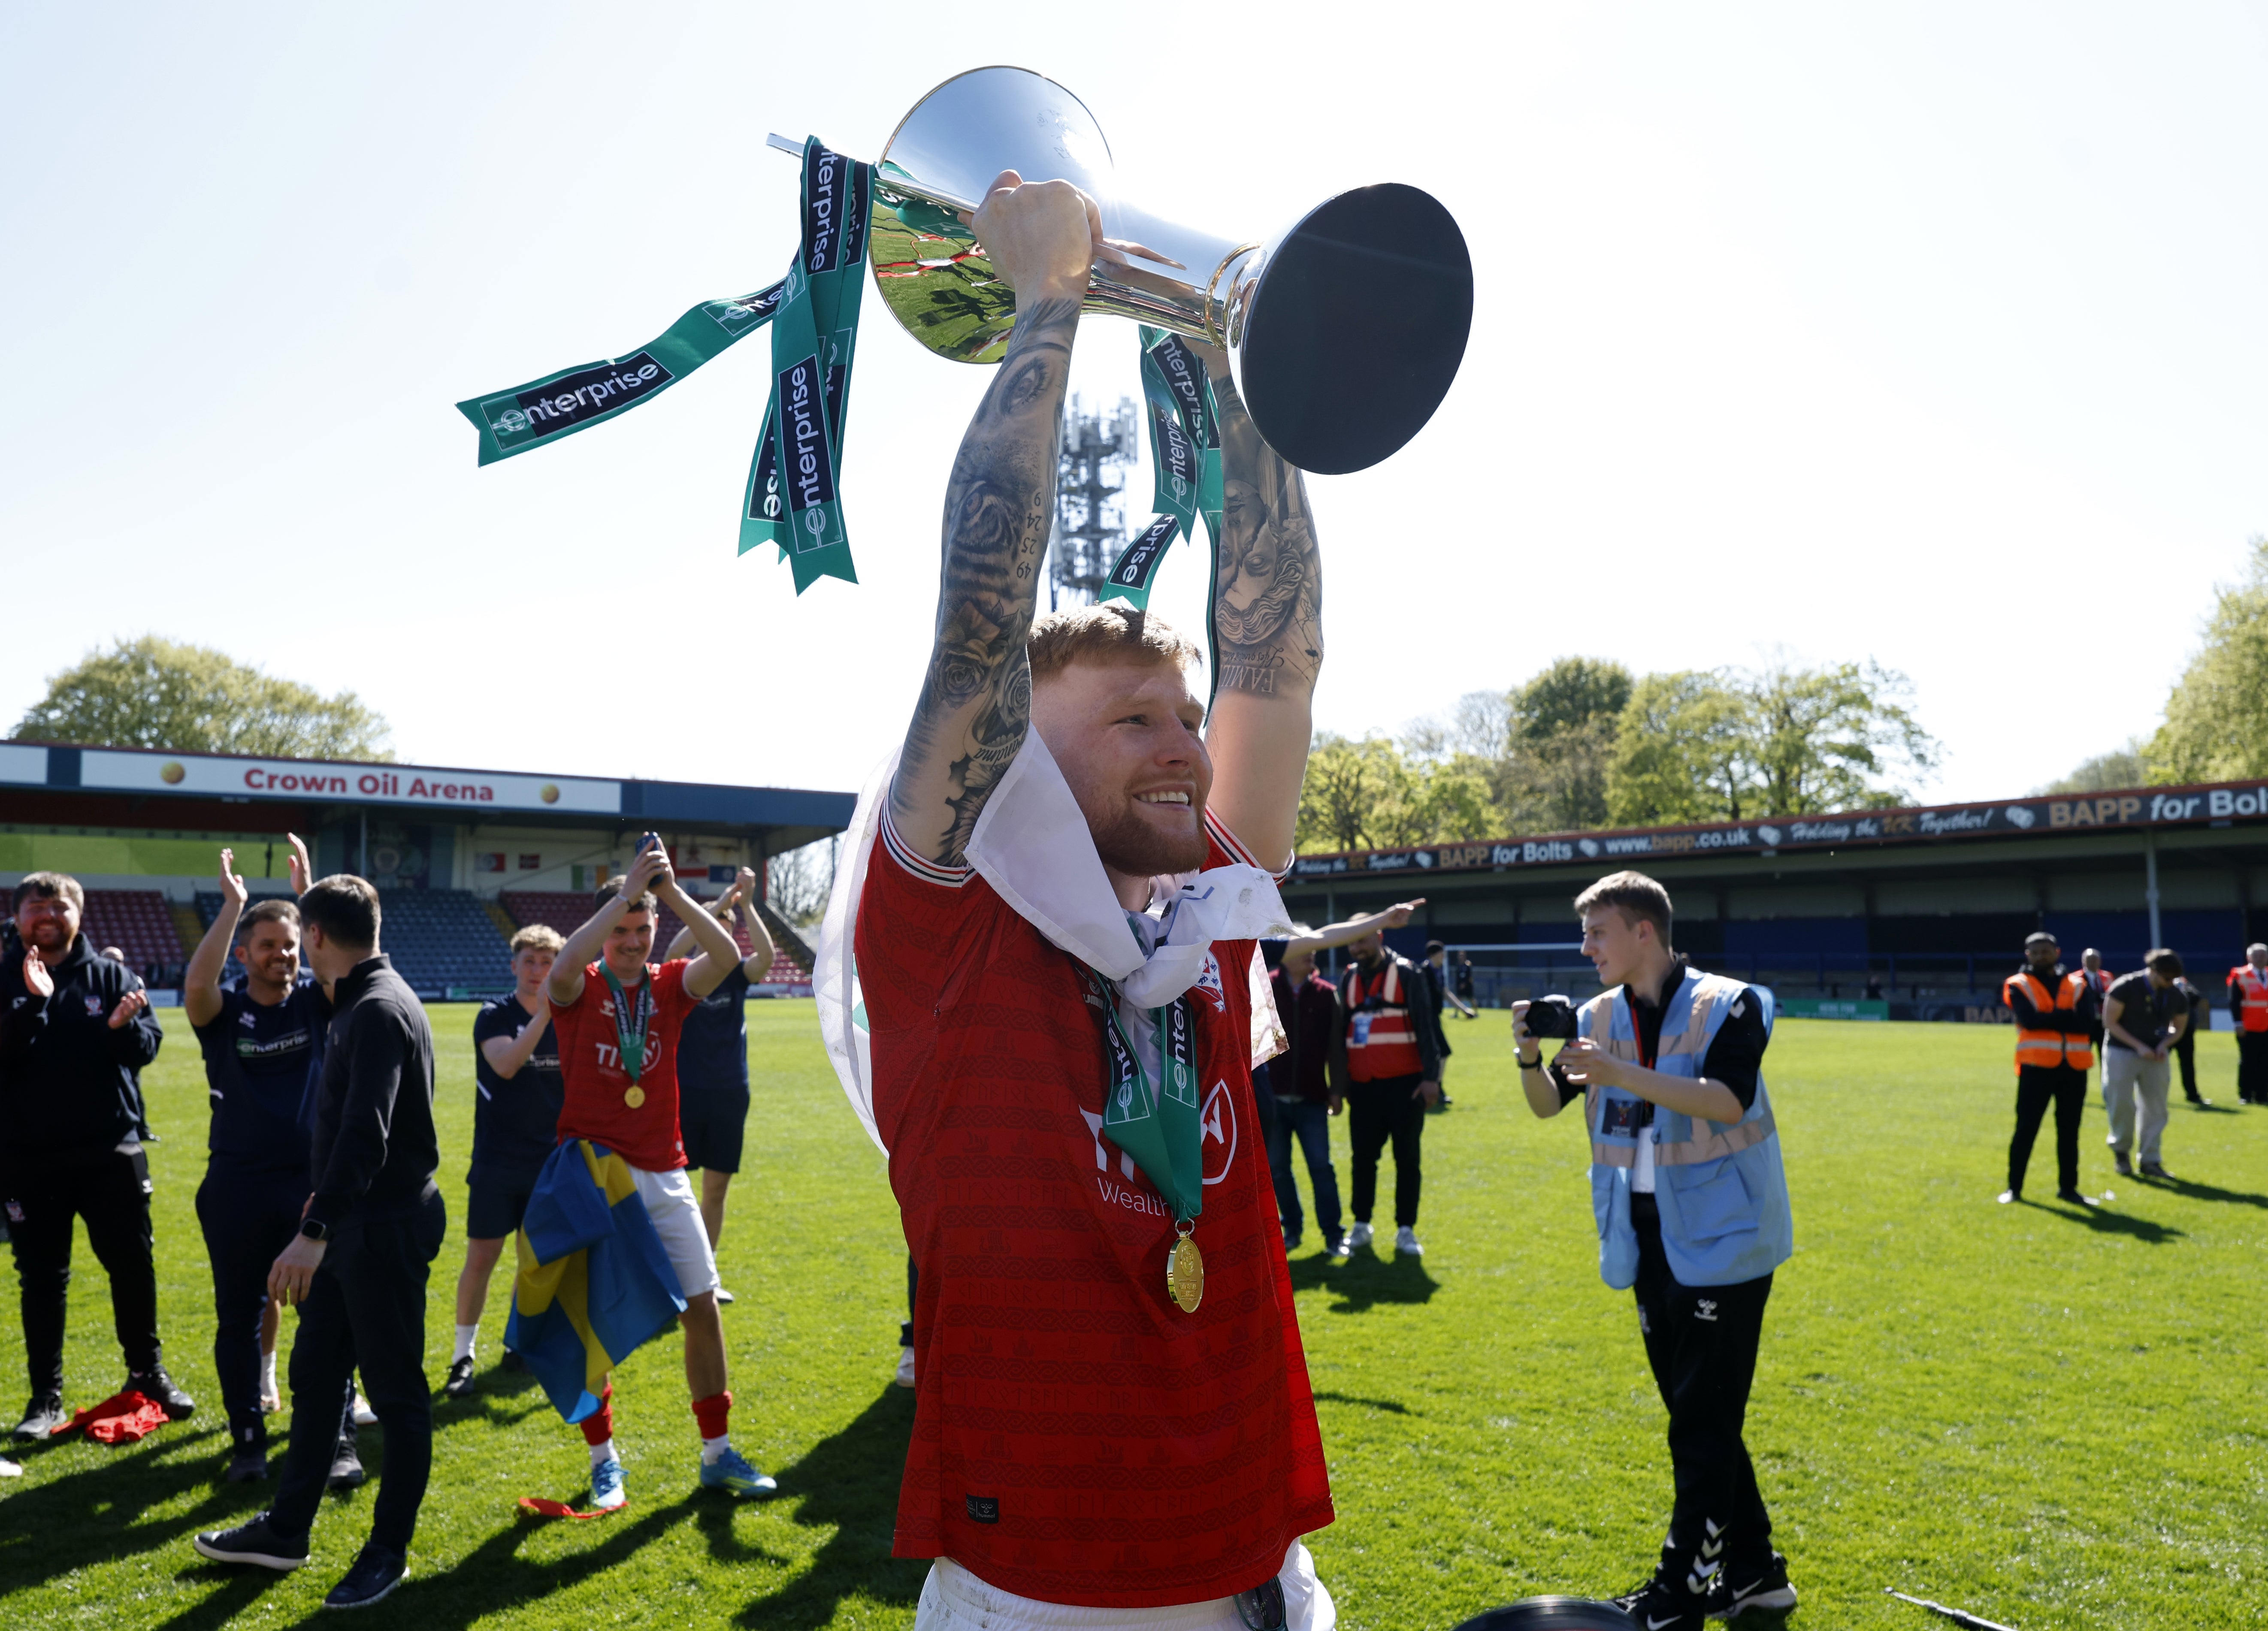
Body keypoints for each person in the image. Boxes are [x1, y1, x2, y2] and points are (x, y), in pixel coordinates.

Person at [847, 169, 1334, 1626]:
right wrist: (1050, 306)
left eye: (1179, 714)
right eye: (1133, 722)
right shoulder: (942, 913)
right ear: (1020, 766)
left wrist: (1210, 342)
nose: (1187, 744)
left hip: (1261, 1563)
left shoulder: (1209, 909)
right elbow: (977, 626)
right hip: (1048, 1593)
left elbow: (1278, 649)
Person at [1515, 871, 1796, 1629]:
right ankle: (1757, 1573)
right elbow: (1549, 1105)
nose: (1586, 947)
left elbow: (1728, 1098)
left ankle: (1681, 1593)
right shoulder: (1597, 1014)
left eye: (1597, 931)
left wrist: (1618, 1071)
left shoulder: (1728, 1003)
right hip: (1646, 1238)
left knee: (1700, 1422)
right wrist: (1527, 1055)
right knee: (1697, 1412)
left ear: (1644, 931)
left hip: (1727, 1238)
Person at [193, 872, 444, 1609]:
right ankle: (286, 1531)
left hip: (378, 1226)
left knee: (398, 1397)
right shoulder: (372, 994)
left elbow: (367, 1135)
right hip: (353, 1224)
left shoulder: (373, 1007)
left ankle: (386, 1551)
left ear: (319, 937)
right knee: (317, 1375)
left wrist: (312, 1231)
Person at [543, 841, 772, 1507]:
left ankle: (717, 1451)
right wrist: (622, 897)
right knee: (591, 1323)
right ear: (603, 928)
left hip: (666, 1170)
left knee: (702, 1306)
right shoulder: (580, 986)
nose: (633, 942)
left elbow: (727, 959)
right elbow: (561, 966)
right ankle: (603, 1460)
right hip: (594, 1172)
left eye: (642, 932)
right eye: (621, 930)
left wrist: (668, 894)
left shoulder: (670, 985)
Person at [185, 843, 355, 1484]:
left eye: (290, 944)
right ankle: (248, 1442)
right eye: (267, 945)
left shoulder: (320, 1001)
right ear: (244, 952)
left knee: (328, 1317)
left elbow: (341, 966)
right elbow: (197, 985)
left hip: (312, 1190)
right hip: (237, 1186)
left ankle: (337, 1440)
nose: (280, 954)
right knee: (239, 1315)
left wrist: (309, 896)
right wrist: (234, 904)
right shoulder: (224, 1012)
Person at [2, 871, 191, 1441]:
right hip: (27, 1158)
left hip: (111, 1150)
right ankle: (44, 1398)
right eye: (36, 906)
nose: (48, 916)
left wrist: (118, 1031)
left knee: (132, 1266)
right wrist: (33, 1005)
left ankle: (148, 1374)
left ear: (79, 915)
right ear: (17, 916)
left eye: (59, 906)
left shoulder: (111, 975)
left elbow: (146, 1047)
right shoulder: (4, 974)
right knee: (42, 1278)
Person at [442, 923, 566, 1399]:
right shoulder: (494, 1014)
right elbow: (507, 1064)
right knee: (482, 1258)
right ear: (513, 965)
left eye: (547, 961)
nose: (538, 971)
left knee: (534, 1260)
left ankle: (519, 1344)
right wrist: (543, 1018)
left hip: (550, 1162)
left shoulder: (569, 1018)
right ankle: (462, 1356)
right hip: (497, 1161)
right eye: (530, 961)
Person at [1264, 903, 1419, 1256]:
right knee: (1279, 1171)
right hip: (1273, 1097)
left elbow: (1337, 1046)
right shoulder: (1264, 987)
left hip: (1314, 1097)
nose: (1312, 954)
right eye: (1305, 949)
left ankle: (1334, 1234)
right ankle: (1293, 1229)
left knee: (1322, 1168)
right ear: (1287, 953)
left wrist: (1336, 1090)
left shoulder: (1325, 992)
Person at [659, 866, 776, 1299]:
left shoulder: (737, 976)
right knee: (676, 1188)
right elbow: (674, 947)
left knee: (716, 1187)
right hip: (683, 1088)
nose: (719, 931)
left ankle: (704, 1278)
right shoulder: (684, 975)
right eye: (712, 925)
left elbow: (766, 959)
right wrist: (720, 902)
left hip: (729, 1090)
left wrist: (745, 906)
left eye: (725, 928)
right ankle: (673, 1275)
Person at [1335, 926, 1442, 1256]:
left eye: (1363, 940)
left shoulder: (1408, 973)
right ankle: (1361, 1225)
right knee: (1363, 1160)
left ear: (1379, 938)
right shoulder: (1349, 978)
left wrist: (1431, 1078)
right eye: (1352, 942)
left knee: (1407, 1159)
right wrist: (1342, 1085)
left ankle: (1406, 1230)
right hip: (1364, 1088)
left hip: (1406, 1086)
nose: (1357, 948)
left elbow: (1427, 1027)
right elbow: (1341, 1036)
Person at [1999, 931, 2097, 1205]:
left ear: (2058, 953)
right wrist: (2066, 1017)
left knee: (2069, 1130)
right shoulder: (2018, 984)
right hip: (2036, 1067)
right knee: (2026, 1128)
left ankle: (2069, 1189)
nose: (2041, 956)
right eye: (2035, 952)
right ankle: (2014, 1188)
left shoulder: (2078, 984)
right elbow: (2029, 1020)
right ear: (2027, 955)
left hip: (2074, 1068)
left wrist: (2049, 1019)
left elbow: (2087, 1023)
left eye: (2046, 951)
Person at [2102, 950, 2188, 1181]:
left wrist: (2165, 1044)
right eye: (2167, 978)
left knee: (2156, 1107)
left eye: (2174, 978)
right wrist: (2138, 1046)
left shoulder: (2176, 994)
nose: (2171, 983)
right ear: (2153, 970)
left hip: (2156, 1056)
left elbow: (2179, 1027)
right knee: (2121, 1103)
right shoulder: (2125, 986)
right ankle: (2121, 1152)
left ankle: (2151, 1160)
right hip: (2122, 1051)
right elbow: (2110, 1022)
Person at [1419, 938, 1475, 1108]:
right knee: (1441, 1052)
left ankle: (1435, 1086)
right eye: (1442, 953)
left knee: (1439, 1053)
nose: (1444, 956)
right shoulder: (1422, 972)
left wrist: (1464, 1010)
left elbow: (1445, 992)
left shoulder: (1437, 971)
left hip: (1434, 1018)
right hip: (1426, 1020)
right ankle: (1435, 1087)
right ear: (1435, 955)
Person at [2227, 943, 2268, 1103]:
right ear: (2249, 957)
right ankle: (2245, 1095)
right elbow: (2234, 1001)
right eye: (2256, 955)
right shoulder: (2240, 975)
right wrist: (2238, 1022)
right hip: (2248, 1026)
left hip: (2266, 1026)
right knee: (2248, 1061)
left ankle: (2262, 1095)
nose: (2260, 958)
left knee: (2265, 1062)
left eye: (2263, 955)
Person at [2172, 973, 2211, 1106]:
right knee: (2157, 1065)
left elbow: (2196, 998)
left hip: (2186, 1030)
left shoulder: (2183, 983)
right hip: (2165, 1031)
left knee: (2188, 1064)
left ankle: (2193, 1095)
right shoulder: (2159, 985)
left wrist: (2183, 988)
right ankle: (2152, 1096)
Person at [2079, 948, 2112, 1063]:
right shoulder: (2076, 978)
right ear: (2083, 961)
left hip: (2103, 1022)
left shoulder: (2107, 976)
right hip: (2086, 1021)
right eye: (2089, 960)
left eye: (2095, 960)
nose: (2092, 963)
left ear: (2100, 961)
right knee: (2082, 1054)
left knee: (2106, 1056)